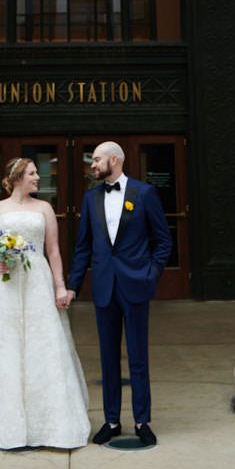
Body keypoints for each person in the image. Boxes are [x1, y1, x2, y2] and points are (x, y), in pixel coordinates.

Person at [0, 156, 91, 450]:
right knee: (3, 345)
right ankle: (2, 421)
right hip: (4, 284)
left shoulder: (45, 208)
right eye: (32, 173)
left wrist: (60, 287)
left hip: (37, 281)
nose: (38, 177)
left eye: (37, 173)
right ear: (16, 178)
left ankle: (46, 424)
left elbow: (53, 251)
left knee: (43, 345)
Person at [64, 141, 172, 446]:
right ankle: (111, 420)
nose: (92, 165)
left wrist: (151, 273)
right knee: (108, 358)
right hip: (103, 287)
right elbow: (83, 245)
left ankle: (142, 420)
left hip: (136, 285)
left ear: (115, 159)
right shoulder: (90, 198)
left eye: (97, 160)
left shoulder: (144, 194)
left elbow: (163, 241)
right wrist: (73, 285)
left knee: (138, 358)